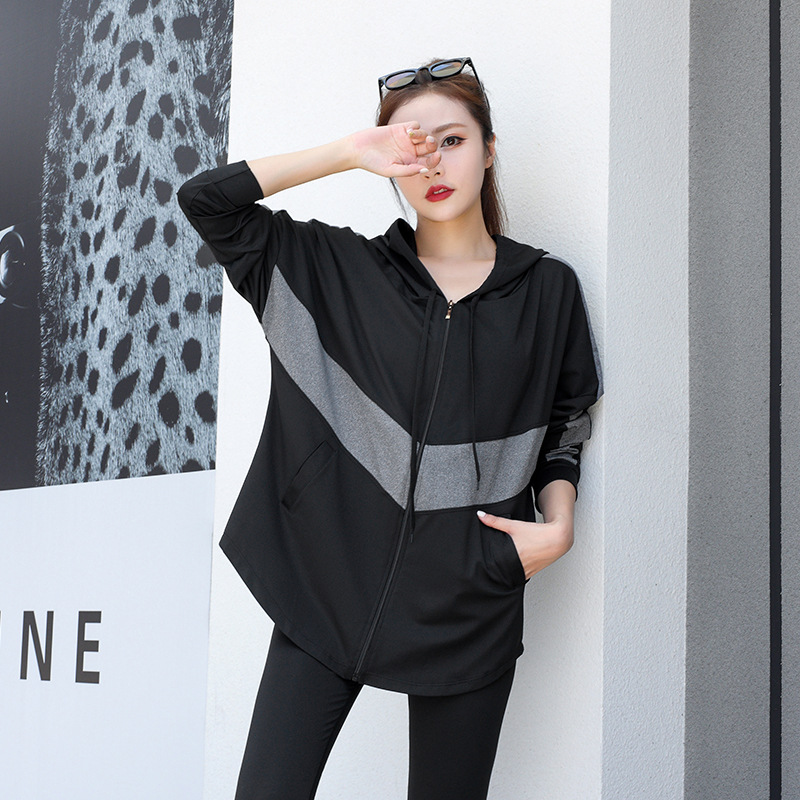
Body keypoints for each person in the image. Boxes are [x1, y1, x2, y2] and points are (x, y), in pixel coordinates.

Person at [178, 56, 602, 800]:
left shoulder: (547, 291)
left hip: (469, 601)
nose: (433, 163)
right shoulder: (332, 270)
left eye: (453, 140)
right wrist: (348, 151)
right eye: (413, 147)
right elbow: (206, 202)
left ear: (489, 149)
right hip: (326, 582)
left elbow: (566, 419)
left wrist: (558, 525)